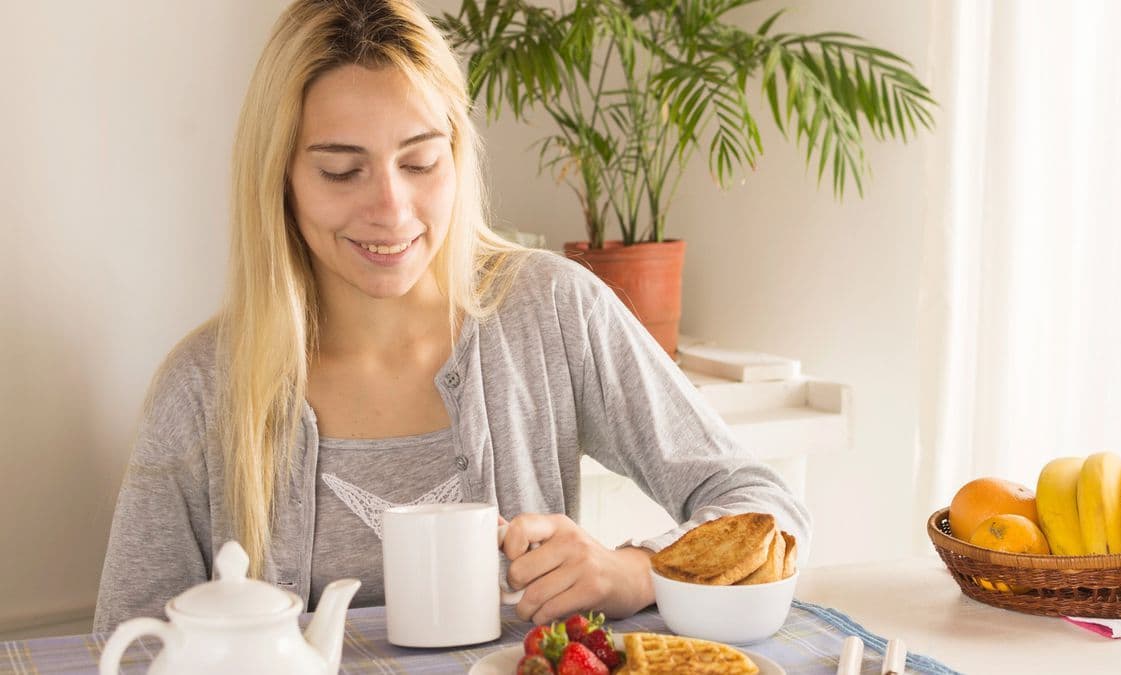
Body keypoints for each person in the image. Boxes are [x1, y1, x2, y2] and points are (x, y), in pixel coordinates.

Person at [93, 0, 811, 633]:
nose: (392, 210)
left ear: (459, 156)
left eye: (421, 161)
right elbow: (125, 642)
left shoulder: (553, 311)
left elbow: (766, 508)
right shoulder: (202, 387)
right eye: (342, 170)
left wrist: (633, 572)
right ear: (279, 179)